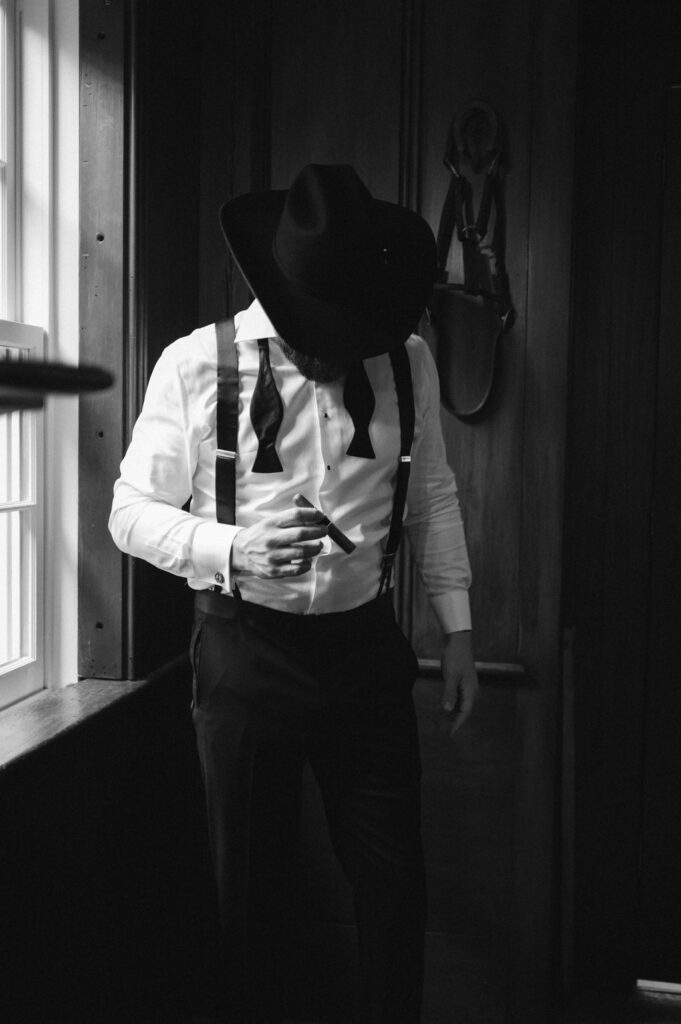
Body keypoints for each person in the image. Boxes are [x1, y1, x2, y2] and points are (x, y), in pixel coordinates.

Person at [109, 164, 478, 1024]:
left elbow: (432, 497)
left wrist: (458, 627)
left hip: (365, 652)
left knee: (396, 891)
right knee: (248, 901)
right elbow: (129, 514)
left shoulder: (406, 360)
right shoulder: (195, 366)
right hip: (245, 654)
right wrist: (231, 548)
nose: (332, 346)